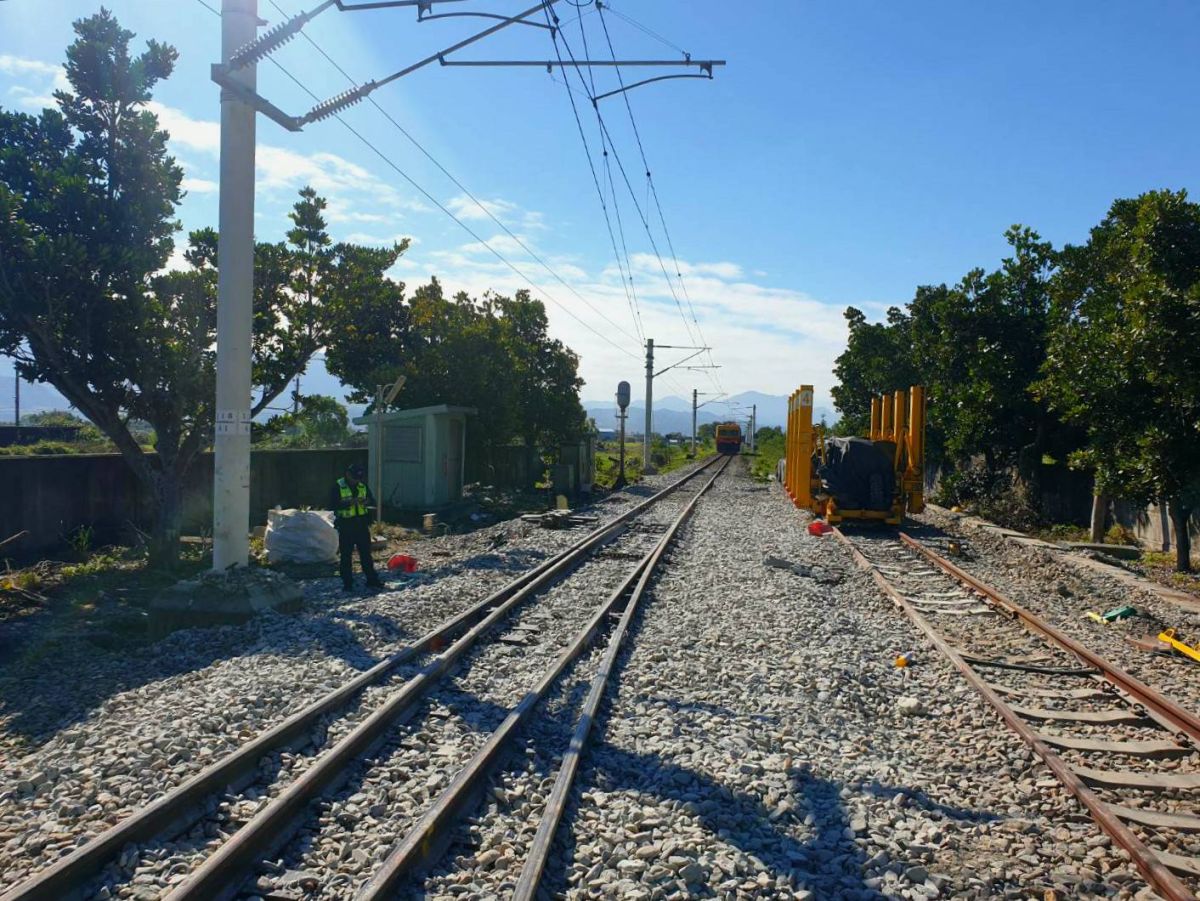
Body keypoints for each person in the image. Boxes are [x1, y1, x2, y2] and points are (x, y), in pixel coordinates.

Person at [331, 463, 383, 592]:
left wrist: (367, 502)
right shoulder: (338, 486)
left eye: (359, 478)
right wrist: (349, 503)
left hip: (361, 525)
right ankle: (347, 583)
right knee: (346, 556)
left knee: (366, 554)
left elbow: (372, 501)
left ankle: (372, 580)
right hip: (346, 525)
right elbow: (332, 504)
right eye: (355, 477)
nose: (357, 480)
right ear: (348, 474)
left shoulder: (362, 486)